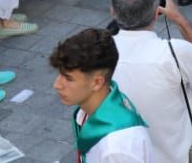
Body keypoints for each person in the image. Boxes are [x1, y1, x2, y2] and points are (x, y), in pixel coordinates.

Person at [107, 0, 192, 163]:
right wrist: (179, 19)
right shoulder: (174, 52)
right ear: (157, 13)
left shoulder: (99, 52)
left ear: (113, 11)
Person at [49, 28, 152, 162]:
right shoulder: (92, 107)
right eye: (60, 74)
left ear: (97, 82)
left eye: (68, 79)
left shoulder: (117, 148)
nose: (57, 85)